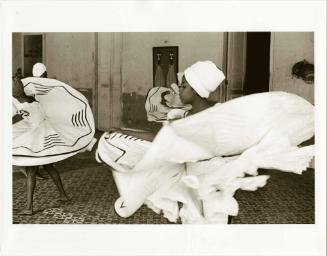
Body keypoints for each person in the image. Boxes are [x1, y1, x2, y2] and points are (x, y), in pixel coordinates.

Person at [97, 60, 314, 223]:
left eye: (183, 86)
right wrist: (126, 131)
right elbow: (162, 138)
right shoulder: (184, 117)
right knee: (193, 219)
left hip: (216, 178)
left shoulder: (218, 115)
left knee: (214, 219)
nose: (179, 89)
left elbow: (234, 140)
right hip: (193, 175)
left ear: (196, 90)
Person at [13, 62, 96, 215]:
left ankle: (29, 207)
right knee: (49, 165)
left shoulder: (29, 100)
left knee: (32, 168)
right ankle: (63, 195)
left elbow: (25, 113)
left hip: (38, 137)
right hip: (44, 132)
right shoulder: (35, 96)